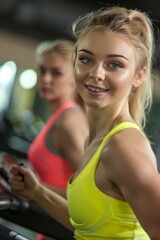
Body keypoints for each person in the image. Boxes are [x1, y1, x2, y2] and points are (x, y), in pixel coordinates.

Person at [8, 5, 160, 239]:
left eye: (115, 64)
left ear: (138, 75)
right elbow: (88, 226)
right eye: (86, 59)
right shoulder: (97, 140)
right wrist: (38, 193)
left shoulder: (123, 147)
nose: (96, 73)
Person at [3, 39, 88, 240]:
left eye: (56, 73)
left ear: (74, 79)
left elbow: (89, 195)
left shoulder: (69, 120)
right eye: (42, 71)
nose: (45, 79)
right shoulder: (59, 116)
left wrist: (34, 188)